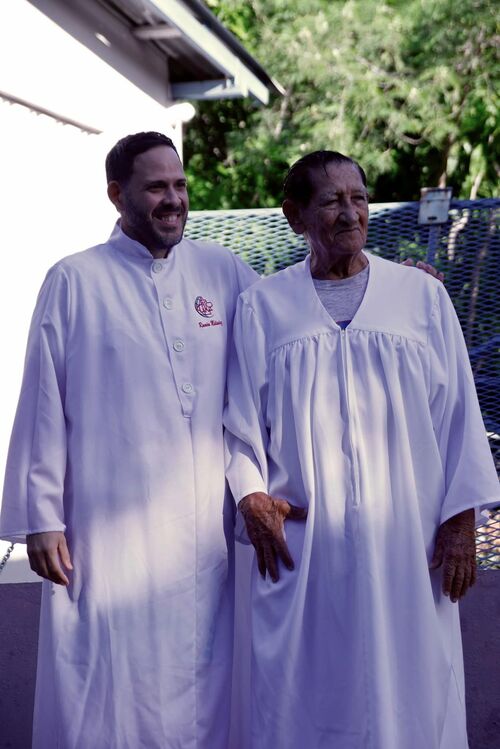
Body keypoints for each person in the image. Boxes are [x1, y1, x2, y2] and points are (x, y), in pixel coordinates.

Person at [224, 150, 500, 749]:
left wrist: (460, 522)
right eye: (331, 201)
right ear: (294, 215)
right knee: (303, 696)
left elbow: (459, 415)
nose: (351, 213)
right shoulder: (263, 307)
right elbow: (240, 426)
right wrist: (251, 497)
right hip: (306, 549)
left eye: (359, 198)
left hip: (409, 545)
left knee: (413, 690)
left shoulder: (420, 297)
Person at [0, 132, 258, 749]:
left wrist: (388, 282)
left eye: (180, 185)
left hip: (203, 536)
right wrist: (42, 517)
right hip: (105, 539)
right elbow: (43, 401)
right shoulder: (75, 279)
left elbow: (292, 319)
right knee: (107, 686)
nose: (174, 200)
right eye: (156, 187)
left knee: (204, 684)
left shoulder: (222, 271)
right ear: (117, 195)